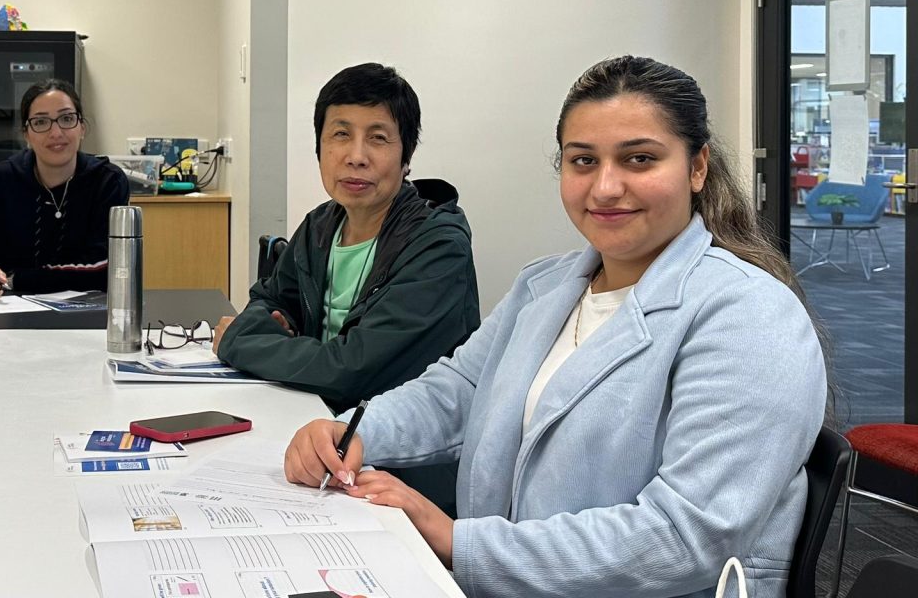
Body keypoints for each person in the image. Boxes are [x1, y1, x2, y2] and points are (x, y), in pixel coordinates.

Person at [283, 56, 828, 598]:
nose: (606, 187)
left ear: (697, 167)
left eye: (639, 159)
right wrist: (355, 431)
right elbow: (459, 389)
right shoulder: (544, 286)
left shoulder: (751, 316)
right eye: (583, 161)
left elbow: (685, 537)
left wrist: (457, 542)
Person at [215, 63, 481, 415]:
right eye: (340, 135)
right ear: (319, 147)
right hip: (316, 422)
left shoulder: (438, 247)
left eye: (378, 138)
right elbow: (269, 299)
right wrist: (276, 324)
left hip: (399, 455)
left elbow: (353, 371)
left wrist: (239, 341)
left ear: (407, 156)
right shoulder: (321, 225)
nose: (356, 157)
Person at [0, 79, 129, 299]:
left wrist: (14, 278)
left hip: (88, 318)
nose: (56, 132)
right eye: (40, 122)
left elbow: (107, 268)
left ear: (82, 128)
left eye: (66, 119)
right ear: (26, 134)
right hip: (7, 318)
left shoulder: (107, 181)